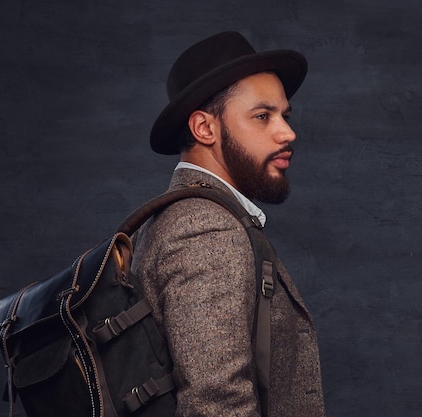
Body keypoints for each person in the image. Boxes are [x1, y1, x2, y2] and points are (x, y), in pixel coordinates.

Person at [132, 31, 325, 417]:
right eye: (262, 116)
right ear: (205, 129)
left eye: (285, 116)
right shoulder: (204, 229)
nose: (288, 133)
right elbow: (216, 404)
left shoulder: (178, 217)